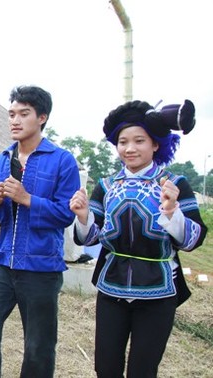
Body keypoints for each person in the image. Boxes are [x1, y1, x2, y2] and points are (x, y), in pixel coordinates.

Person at [69, 99, 208, 377]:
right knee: (105, 367)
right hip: (112, 288)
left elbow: (193, 240)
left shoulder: (175, 184)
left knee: (143, 370)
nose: (129, 148)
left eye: (139, 141)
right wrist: (84, 216)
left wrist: (172, 212)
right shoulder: (107, 186)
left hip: (158, 290)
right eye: (123, 142)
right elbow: (90, 238)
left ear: (155, 144)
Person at [0, 85, 80, 377]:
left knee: (38, 346)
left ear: (41, 117)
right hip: (4, 263)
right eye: (11, 114)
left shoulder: (62, 160)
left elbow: (66, 215)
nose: (14, 121)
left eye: (23, 114)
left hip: (41, 267)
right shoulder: (4, 158)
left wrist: (27, 198)